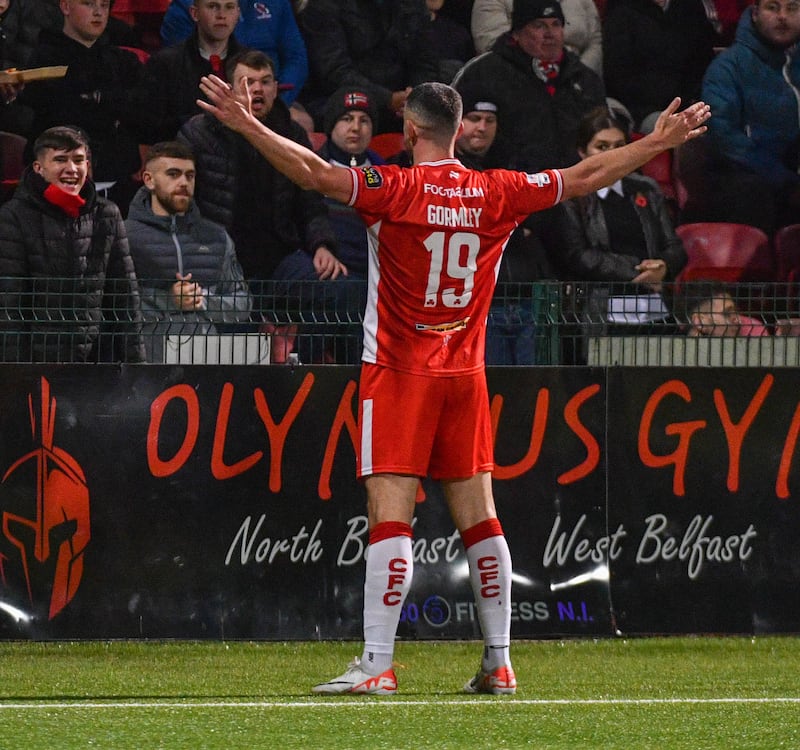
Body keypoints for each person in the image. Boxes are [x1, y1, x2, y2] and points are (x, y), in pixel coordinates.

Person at [196, 70, 710, 693]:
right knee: (482, 519)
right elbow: (582, 179)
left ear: (409, 130)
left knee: (389, 515)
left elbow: (313, 172)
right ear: (461, 130)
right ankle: (498, 660)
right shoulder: (497, 190)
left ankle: (377, 665)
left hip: (398, 370)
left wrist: (246, 123)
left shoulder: (395, 187)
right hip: (464, 372)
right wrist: (657, 143)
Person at [179, 49, 342, 361]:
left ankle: (306, 375)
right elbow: (184, 201)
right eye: (248, 82)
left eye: (266, 82)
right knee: (238, 338)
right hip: (222, 263)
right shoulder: (199, 132)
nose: (258, 89)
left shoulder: (292, 133)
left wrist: (323, 244)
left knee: (332, 291)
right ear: (229, 88)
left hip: (279, 258)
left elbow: (310, 199)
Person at [0, 125, 145, 362]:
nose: (72, 169)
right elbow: (9, 303)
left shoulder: (107, 213)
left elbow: (125, 296)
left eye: (79, 160)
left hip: (95, 364)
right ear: (38, 168)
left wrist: (136, 367)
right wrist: (13, 375)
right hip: (34, 363)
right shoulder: (13, 216)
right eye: (60, 160)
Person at [124, 141, 252, 362]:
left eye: (189, 176)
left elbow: (243, 304)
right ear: (149, 180)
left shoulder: (217, 237)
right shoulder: (124, 236)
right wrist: (169, 300)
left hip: (206, 361)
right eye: (173, 174)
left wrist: (201, 299)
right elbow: (112, 304)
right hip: (143, 363)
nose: (183, 182)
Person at [455, 85, 556, 365]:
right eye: (474, 119)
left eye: (490, 121)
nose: (482, 128)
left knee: (529, 390)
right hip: (479, 305)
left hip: (525, 297)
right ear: (458, 124)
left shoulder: (513, 165)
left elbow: (543, 214)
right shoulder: (447, 170)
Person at [17, 0, 148, 214]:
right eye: (89, 4)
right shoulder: (43, 60)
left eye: (104, 5)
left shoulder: (122, 60)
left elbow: (142, 110)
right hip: (58, 189)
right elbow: (60, 114)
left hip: (117, 183)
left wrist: (95, 99)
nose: (98, 12)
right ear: (66, 7)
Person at [452, 0, 606, 173]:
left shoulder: (584, 78)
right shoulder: (485, 72)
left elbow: (603, 131)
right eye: (539, 25)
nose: (550, 34)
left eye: (556, 24)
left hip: (575, 185)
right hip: (509, 186)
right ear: (517, 33)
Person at [697, 0, 800, 234]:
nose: (783, 16)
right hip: (747, 176)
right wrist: (785, 180)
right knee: (751, 191)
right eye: (772, 7)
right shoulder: (727, 67)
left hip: (792, 175)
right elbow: (724, 138)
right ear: (755, 14)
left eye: (792, 8)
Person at [314, 86, 385, 362]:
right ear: (332, 124)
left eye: (363, 120)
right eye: (347, 119)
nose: (355, 127)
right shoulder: (314, 169)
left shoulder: (388, 174)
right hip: (329, 267)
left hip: (376, 274)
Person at [297, 0, 441, 133]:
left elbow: (425, 61)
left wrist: (416, 95)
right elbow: (333, 71)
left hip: (403, 103)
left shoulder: (413, 4)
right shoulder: (324, 5)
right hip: (341, 98)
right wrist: (388, 99)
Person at [160, 0, 308, 106]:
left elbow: (296, 58)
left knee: (301, 123)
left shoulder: (277, 3)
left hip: (271, 97)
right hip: (211, 104)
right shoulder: (186, 6)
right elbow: (182, 69)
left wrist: (275, 102)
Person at [602, 0, 719, 133]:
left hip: (687, 103)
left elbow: (702, 61)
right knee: (673, 131)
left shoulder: (690, 7)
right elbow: (616, 76)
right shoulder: (621, 12)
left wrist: (691, 99)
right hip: (640, 109)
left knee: (717, 123)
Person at [138, 0, 246, 143]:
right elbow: (149, 128)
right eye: (213, 6)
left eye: (229, 7)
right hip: (182, 154)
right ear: (195, 13)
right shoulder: (164, 64)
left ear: (238, 14)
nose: (222, 15)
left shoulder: (250, 64)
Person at [470, 0, 604, 75]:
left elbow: (596, 41)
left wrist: (576, 73)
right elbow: (493, 45)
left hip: (577, 77)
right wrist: (545, 73)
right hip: (518, 79)